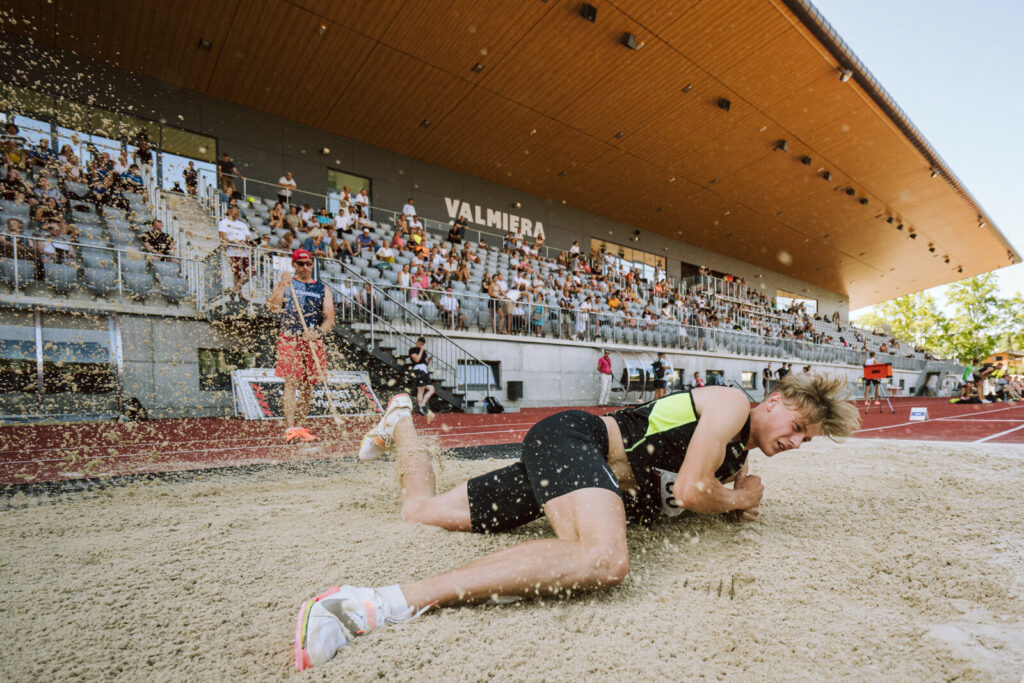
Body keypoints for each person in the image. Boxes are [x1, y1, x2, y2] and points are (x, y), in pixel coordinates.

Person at [297, 374, 861, 671]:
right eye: (798, 425)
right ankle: (364, 605)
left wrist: (737, 493)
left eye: (805, 441)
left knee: (422, 511)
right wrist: (737, 501)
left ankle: (398, 421)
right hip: (575, 440)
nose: (794, 442)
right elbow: (691, 492)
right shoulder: (731, 404)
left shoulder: (735, 458)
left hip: (580, 477)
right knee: (604, 558)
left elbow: (702, 491)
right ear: (776, 399)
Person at [266, 249, 335, 443]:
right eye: (301, 263)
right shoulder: (287, 283)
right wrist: (281, 283)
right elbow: (273, 306)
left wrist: (318, 333)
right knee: (291, 382)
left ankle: (301, 426)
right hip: (290, 338)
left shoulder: (322, 289)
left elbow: (329, 319)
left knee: (309, 384)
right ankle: (289, 428)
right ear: (294, 265)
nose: (305, 267)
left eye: (308, 263)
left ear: (312, 264)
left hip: (312, 340)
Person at [217, 205, 252, 301]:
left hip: (244, 252)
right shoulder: (223, 223)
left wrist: (246, 242)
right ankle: (239, 295)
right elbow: (222, 238)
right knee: (237, 274)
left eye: (238, 212)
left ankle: (234, 291)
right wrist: (234, 242)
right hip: (233, 251)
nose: (237, 213)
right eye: (234, 211)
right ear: (228, 211)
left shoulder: (242, 225)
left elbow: (248, 238)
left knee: (251, 272)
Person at [408, 337, 435, 415]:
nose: (421, 345)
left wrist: (428, 360)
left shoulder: (423, 351)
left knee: (432, 389)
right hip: (418, 370)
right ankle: (421, 408)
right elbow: (416, 359)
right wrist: (421, 351)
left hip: (424, 370)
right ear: (417, 342)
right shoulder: (412, 350)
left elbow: (425, 362)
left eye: (422, 344)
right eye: (420, 344)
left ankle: (422, 405)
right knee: (421, 390)